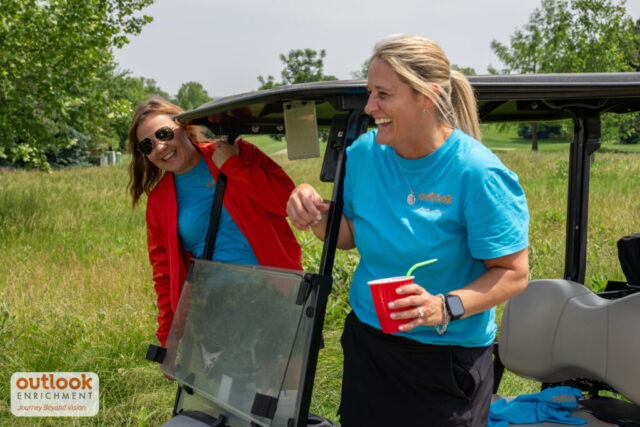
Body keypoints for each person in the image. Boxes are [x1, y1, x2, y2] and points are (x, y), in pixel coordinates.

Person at [287, 35, 529, 426]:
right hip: (370, 344)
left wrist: (443, 306)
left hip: (446, 360)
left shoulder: (478, 173)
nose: (369, 107)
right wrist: (315, 211)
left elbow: (513, 274)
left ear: (427, 97)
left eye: (383, 94)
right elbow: (346, 235)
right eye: (370, 93)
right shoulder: (363, 154)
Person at [127, 97, 302, 347]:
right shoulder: (159, 201)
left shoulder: (237, 151)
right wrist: (168, 336)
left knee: (287, 384)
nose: (160, 147)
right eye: (147, 145)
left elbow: (284, 201)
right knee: (232, 386)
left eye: (164, 133)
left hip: (276, 294)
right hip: (217, 310)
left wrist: (233, 165)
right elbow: (164, 275)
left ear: (184, 127)